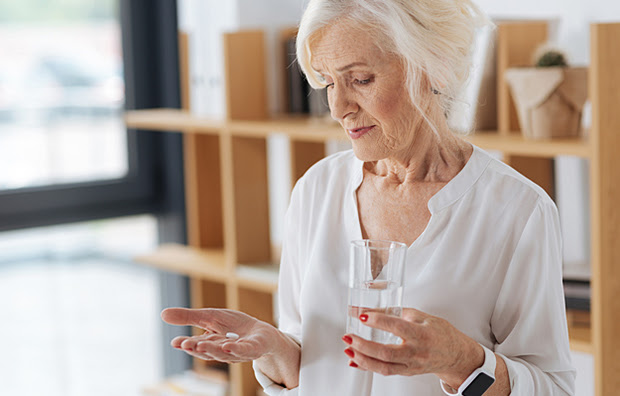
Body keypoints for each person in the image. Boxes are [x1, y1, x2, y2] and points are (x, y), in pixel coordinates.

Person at [161, 0, 576, 395]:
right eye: (327, 82)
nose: (338, 107)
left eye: (360, 79)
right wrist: (273, 348)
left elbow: (552, 388)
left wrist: (462, 360)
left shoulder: (516, 210)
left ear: (434, 68)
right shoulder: (316, 190)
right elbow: (309, 365)